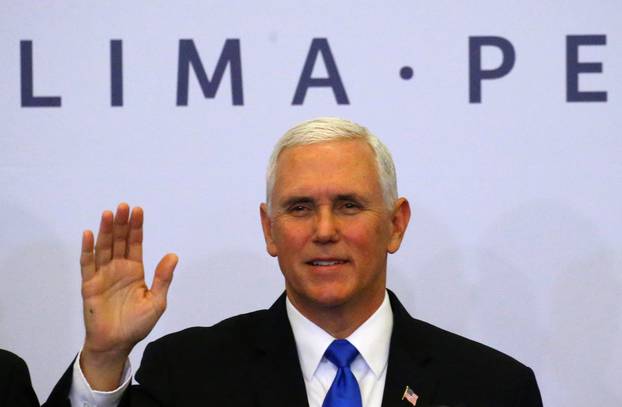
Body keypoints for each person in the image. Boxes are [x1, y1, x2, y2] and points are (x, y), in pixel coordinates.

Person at [45, 117, 543, 406]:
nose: (324, 231)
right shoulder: (188, 375)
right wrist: (105, 360)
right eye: (300, 208)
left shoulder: (493, 389)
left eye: (349, 205)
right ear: (269, 230)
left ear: (395, 224)